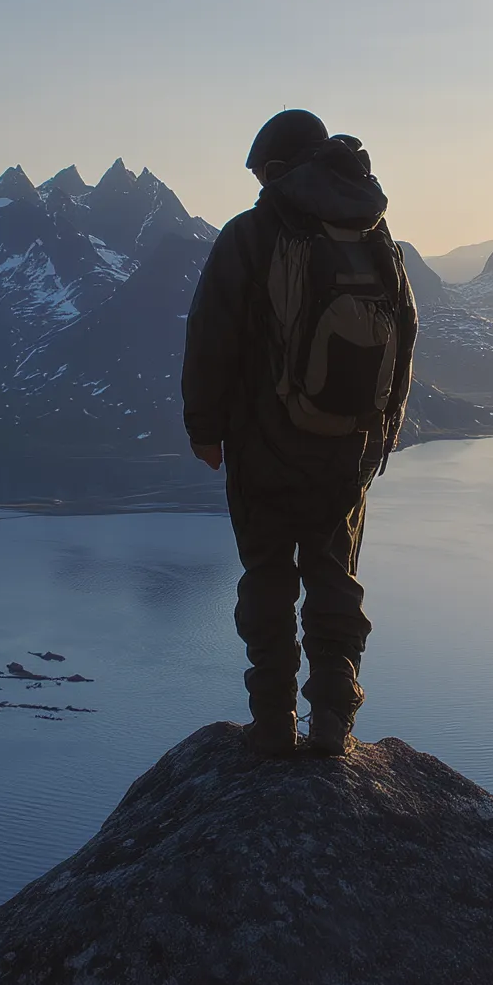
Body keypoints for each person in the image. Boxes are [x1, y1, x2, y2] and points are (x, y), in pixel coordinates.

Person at [182, 110, 417, 758]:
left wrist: (205, 428)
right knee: (333, 574)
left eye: (263, 174)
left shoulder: (252, 234)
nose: (260, 186)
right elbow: (405, 329)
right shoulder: (372, 233)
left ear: (280, 169)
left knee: (267, 576)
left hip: (264, 441)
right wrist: (386, 424)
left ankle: (273, 720)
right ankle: (335, 716)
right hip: (349, 445)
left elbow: (211, 335)